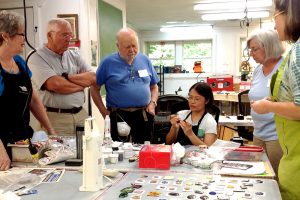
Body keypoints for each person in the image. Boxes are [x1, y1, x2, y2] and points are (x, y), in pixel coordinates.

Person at [251, 0, 300, 199]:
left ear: (291, 14)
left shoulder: (296, 53)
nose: (274, 25)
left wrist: (269, 106)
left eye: (275, 17)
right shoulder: (293, 52)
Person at [0, 10, 55, 171]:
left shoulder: (19, 62)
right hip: (2, 145)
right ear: (5, 36)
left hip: (22, 141)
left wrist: (51, 131)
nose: (25, 39)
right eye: (21, 34)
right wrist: (1, 150)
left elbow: (33, 99)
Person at [91, 28, 159, 144]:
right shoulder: (108, 63)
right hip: (118, 114)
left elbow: (154, 86)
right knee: (117, 150)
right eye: (128, 47)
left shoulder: (145, 60)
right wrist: (103, 112)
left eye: (134, 46)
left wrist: (153, 103)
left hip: (143, 113)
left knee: (145, 149)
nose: (132, 50)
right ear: (118, 46)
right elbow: (94, 89)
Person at [28, 18, 96, 135]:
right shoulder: (36, 56)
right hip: (56, 119)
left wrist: (67, 76)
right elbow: (55, 85)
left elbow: (93, 78)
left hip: (81, 115)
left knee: (86, 152)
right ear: (50, 35)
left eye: (70, 35)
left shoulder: (74, 54)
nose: (69, 39)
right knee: (58, 153)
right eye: (64, 35)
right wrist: (81, 85)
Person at [247, 29, 284, 176]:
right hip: (258, 133)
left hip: (277, 136)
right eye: (250, 50)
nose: (252, 53)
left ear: (268, 46)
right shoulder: (257, 70)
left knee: (276, 178)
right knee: (259, 176)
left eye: (255, 49)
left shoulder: (283, 67)